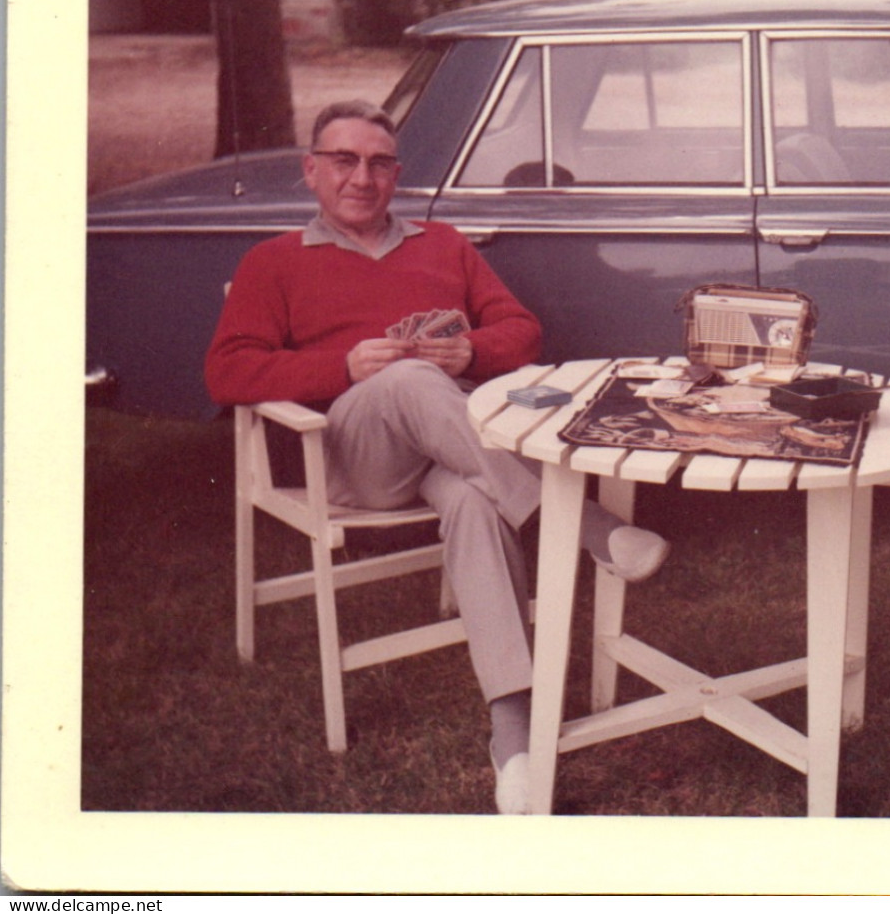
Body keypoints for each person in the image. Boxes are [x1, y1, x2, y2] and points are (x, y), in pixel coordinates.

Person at [205, 99, 668, 814]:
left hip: (452, 451)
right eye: (343, 160)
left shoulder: (443, 244)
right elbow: (228, 372)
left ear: (396, 175)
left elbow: (521, 327)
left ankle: (512, 734)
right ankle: (585, 527)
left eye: (379, 163)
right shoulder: (272, 262)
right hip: (353, 457)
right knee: (412, 378)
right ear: (312, 171)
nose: (361, 177)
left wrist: (473, 349)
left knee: (476, 502)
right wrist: (343, 365)